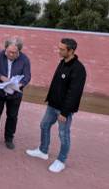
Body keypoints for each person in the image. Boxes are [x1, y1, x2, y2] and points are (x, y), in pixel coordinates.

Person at [26, 38, 86, 173]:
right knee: (44, 125)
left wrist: (65, 112)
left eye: (62, 49)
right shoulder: (63, 63)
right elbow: (56, 85)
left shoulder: (78, 69)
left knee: (63, 134)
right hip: (52, 105)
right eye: (59, 48)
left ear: (71, 51)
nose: (59, 51)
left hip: (63, 110)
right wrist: (49, 99)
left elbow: (74, 93)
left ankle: (61, 160)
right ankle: (43, 150)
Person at [0, 37, 31, 149]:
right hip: (0, 90)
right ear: (5, 49)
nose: (11, 54)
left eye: (14, 53)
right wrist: (1, 77)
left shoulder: (25, 60)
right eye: (9, 52)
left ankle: (9, 138)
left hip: (15, 93)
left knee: (12, 116)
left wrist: (20, 84)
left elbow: (27, 76)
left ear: (19, 51)